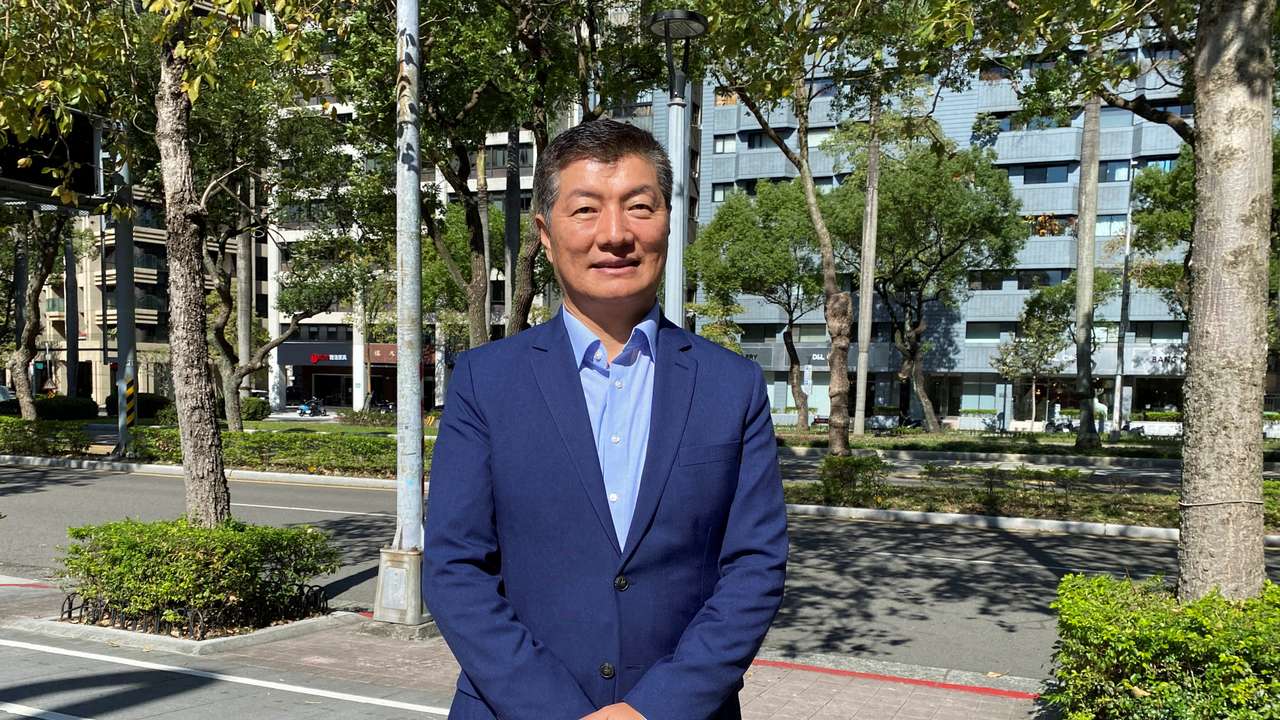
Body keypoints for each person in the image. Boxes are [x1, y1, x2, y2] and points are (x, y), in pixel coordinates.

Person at [422, 119, 789, 720]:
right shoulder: (485, 381)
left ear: (670, 221)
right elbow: (455, 567)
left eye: (639, 207)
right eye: (586, 210)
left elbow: (754, 568)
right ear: (544, 232)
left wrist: (655, 710)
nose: (615, 235)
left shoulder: (732, 386)